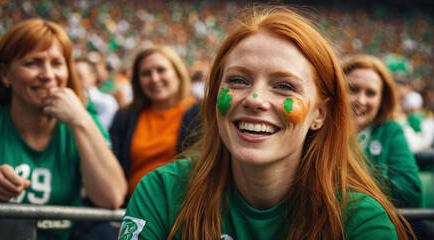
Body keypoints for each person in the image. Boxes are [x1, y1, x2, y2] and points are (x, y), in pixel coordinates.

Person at [118, 5, 415, 240]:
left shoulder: (360, 219)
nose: (254, 99)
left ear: (320, 114)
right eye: (237, 80)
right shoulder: (162, 192)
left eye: (284, 86)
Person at [0, 19, 127, 240]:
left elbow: (111, 197)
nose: (48, 75)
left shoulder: (83, 118)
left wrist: (81, 122)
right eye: (32, 63)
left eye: (56, 63)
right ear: (5, 74)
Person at [109, 45, 197, 202]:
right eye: (146, 73)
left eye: (161, 70)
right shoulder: (125, 117)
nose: (154, 79)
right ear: (138, 81)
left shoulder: (199, 113)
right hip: (132, 207)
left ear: (177, 73)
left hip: (179, 207)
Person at [342, 54, 422, 209]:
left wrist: (347, 177)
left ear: (382, 100)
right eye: (352, 89)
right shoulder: (319, 125)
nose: (361, 100)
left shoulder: (391, 131)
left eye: (371, 93)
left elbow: (411, 195)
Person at [75, 58, 119, 130]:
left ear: (93, 77)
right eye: (71, 76)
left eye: (79, 76)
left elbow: (99, 131)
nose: (74, 80)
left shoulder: (106, 103)